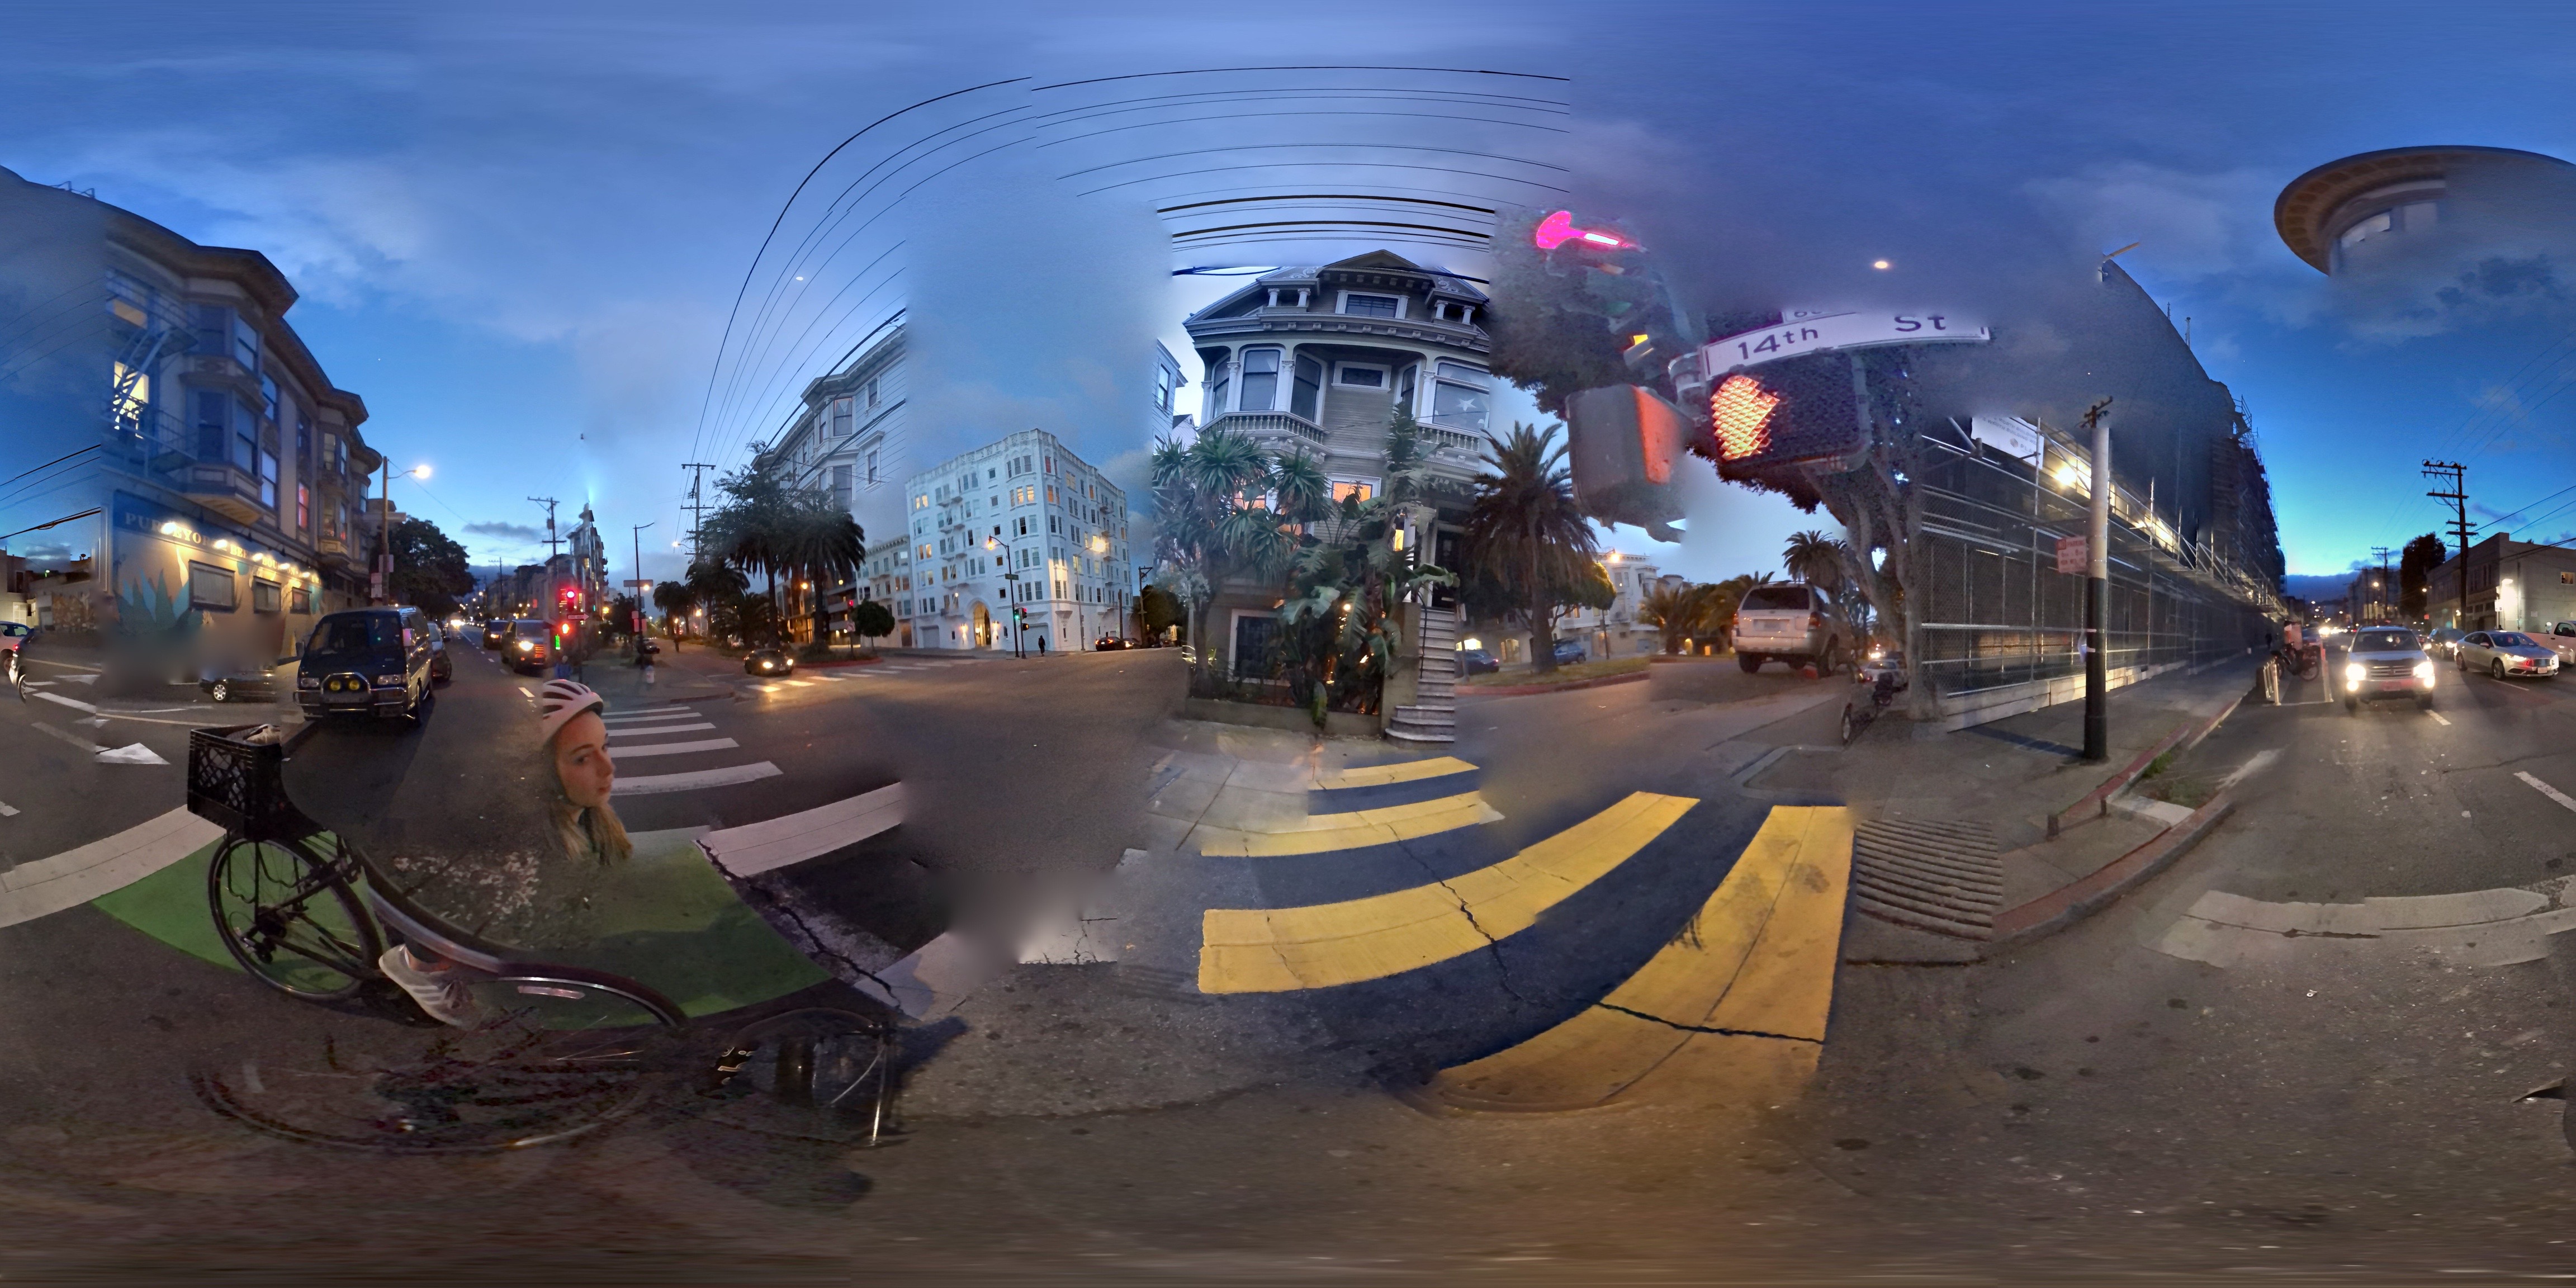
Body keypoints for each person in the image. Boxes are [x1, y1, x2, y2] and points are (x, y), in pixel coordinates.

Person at [376, 679, 633, 1025]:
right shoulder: (517, 844)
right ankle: (415, 971)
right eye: (582, 758)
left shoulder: (592, 821)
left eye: (606, 746)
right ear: (544, 775)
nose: (608, 768)